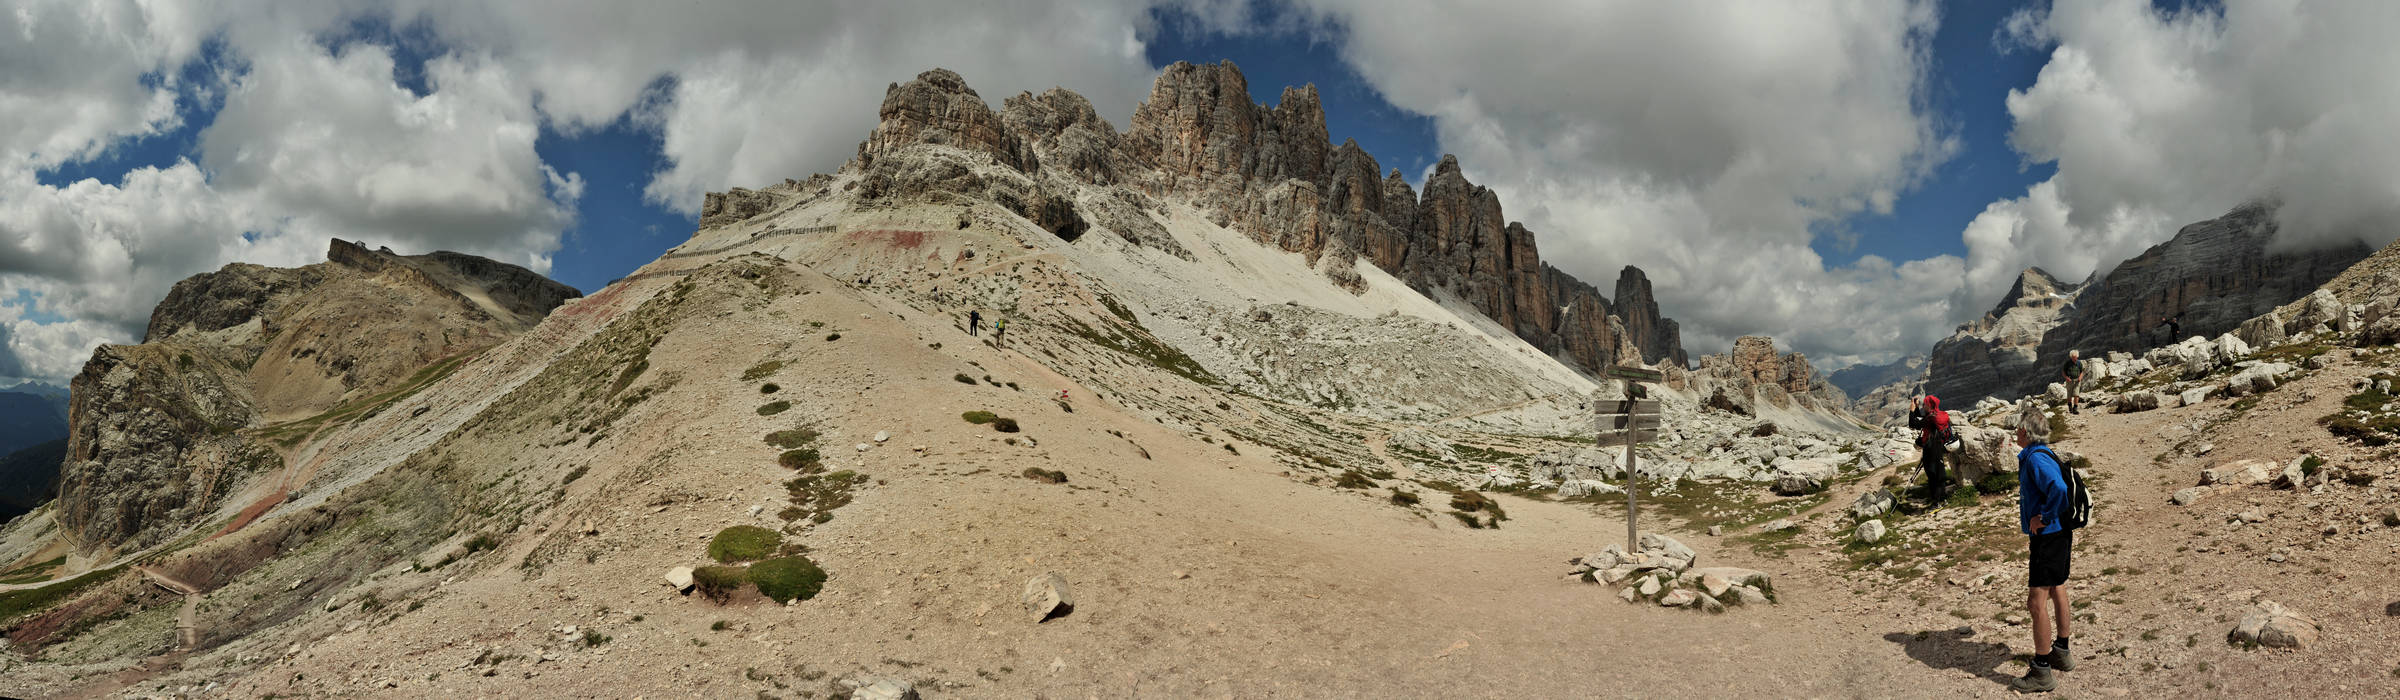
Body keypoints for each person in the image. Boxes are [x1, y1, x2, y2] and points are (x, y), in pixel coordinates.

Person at [2012, 400, 2077, 692]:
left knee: (2036, 602)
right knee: (2057, 587)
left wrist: (2044, 517)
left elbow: (2059, 489)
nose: (2015, 432)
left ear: (2026, 431)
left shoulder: (2035, 459)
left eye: (2018, 427)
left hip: (2048, 537)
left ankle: (2041, 671)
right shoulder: (2044, 453)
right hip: (2060, 534)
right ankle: (2061, 651)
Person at [1906, 394, 1954, 505]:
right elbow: (1922, 419)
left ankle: (1937, 503)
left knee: (1933, 475)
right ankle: (1943, 499)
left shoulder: (1930, 418)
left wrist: (1912, 410)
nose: (1923, 406)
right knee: (1939, 473)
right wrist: (1916, 407)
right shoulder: (1935, 415)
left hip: (1930, 450)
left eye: (1924, 404)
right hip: (1937, 448)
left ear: (1929, 405)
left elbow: (1913, 424)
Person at [2060, 350, 2085, 415]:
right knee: (2069, 395)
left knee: (2076, 395)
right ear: (2071, 357)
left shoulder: (2079, 363)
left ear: (2077, 356)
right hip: (2069, 381)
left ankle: (2075, 409)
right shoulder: (2067, 363)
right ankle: (2070, 407)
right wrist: (2067, 378)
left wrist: (2080, 377)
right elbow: (2063, 372)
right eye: (2073, 357)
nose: (2074, 358)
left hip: (2077, 381)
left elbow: (2081, 372)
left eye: (2075, 357)